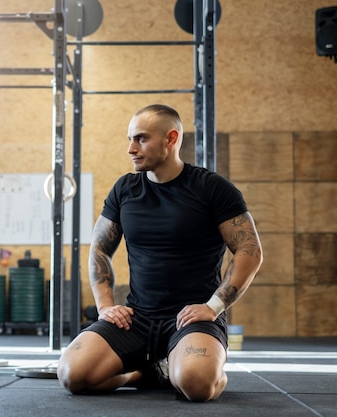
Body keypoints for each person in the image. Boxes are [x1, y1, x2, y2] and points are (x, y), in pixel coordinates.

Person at [56, 104, 263, 402]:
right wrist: (105, 306)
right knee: (72, 375)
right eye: (130, 139)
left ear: (170, 139)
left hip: (192, 317)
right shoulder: (124, 189)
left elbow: (249, 250)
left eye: (141, 139)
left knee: (196, 385)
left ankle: (199, 368)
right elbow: (100, 248)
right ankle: (143, 373)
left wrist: (214, 306)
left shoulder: (212, 188)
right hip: (136, 318)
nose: (131, 148)